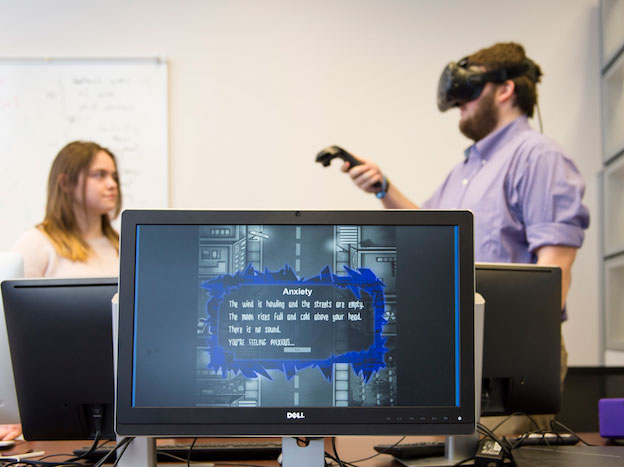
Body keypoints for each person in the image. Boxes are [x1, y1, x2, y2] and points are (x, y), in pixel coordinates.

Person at [338, 42, 589, 432]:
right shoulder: (468, 169)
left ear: (504, 89)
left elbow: (556, 266)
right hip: (455, 347)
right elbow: (430, 228)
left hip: (509, 357)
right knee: (420, 453)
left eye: (468, 92)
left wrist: (515, 355)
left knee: (489, 454)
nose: (460, 105)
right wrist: (383, 187)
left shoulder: (538, 156)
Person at [0, 141, 122, 441]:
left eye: (115, 176)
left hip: (119, 396)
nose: (112, 185)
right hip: (61, 399)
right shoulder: (38, 243)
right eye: (99, 175)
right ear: (66, 182)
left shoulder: (123, 243)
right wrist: (14, 412)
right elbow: (10, 334)